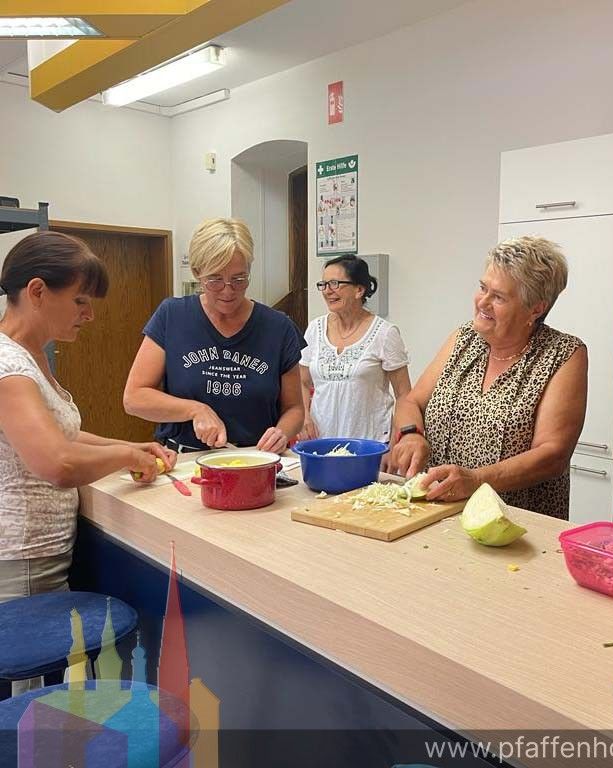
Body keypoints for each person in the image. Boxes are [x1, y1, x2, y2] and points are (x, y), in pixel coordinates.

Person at [0, 231, 172, 603]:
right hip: (21, 562)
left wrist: (130, 446)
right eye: (80, 301)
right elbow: (58, 463)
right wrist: (126, 457)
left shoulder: (31, 356)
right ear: (37, 291)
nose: (89, 314)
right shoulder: (8, 366)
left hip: (42, 555)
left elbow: (63, 435)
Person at [390, 237, 587, 519]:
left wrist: (476, 479)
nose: (483, 302)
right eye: (483, 288)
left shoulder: (563, 354)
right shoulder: (464, 338)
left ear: (535, 309)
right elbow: (411, 402)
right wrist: (410, 435)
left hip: (513, 522)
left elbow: (552, 455)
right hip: (438, 514)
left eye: (499, 297)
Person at [124, 218, 304, 453]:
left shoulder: (278, 327)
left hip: (256, 458)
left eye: (239, 279)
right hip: (187, 459)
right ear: (197, 273)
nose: (228, 291)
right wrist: (195, 410)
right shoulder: (172, 316)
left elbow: (294, 409)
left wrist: (282, 433)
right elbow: (134, 398)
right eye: (215, 279)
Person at [298, 255, 411, 446]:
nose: (327, 291)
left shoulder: (384, 333)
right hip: (321, 442)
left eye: (335, 284)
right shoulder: (315, 329)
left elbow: (404, 395)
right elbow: (301, 382)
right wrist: (304, 416)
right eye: (323, 284)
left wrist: (395, 442)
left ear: (359, 290)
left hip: (371, 445)